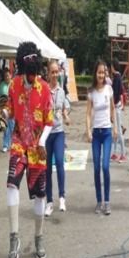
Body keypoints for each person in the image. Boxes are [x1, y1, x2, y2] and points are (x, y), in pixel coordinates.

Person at [5, 43, 53, 258]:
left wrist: (42, 141)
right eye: (29, 73)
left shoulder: (44, 89)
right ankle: (14, 237)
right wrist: (4, 113)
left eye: (35, 72)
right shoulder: (14, 85)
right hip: (18, 143)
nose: (32, 77)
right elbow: (11, 110)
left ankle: (39, 236)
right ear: (23, 68)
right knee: (11, 183)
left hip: (37, 148)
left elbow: (50, 122)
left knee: (40, 195)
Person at [86, 60, 117, 215]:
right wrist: (88, 131)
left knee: (105, 166)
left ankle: (107, 201)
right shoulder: (91, 92)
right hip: (96, 134)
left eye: (103, 72)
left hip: (106, 132)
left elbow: (112, 108)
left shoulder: (109, 89)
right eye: (99, 72)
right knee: (97, 167)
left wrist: (115, 127)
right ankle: (99, 201)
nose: (101, 75)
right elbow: (88, 113)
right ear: (95, 73)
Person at [44, 61, 70, 217]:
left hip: (59, 132)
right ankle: (49, 202)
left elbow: (66, 106)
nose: (55, 75)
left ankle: (62, 197)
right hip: (46, 134)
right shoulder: (44, 91)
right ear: (48, 73)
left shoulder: (61, 91)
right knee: (46, 168)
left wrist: (66, 115)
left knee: (59, 162)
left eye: (57, 72)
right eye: (52, 72)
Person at [110, 61, 127, 163]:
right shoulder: (118, 77)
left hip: (116, 106)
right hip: (118, 106)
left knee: (119, 131)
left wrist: (113, 106)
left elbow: (116, 94)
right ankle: (115, 152)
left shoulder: (116, 78)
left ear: (113, 67)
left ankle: (123, 154)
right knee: (116, 130)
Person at [0, 68, 13, 153]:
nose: (7, 77)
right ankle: (5, 145)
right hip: (4, 108)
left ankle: (13, 145)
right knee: (5, 128)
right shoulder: (2, 85)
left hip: (12, 109)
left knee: (12, 127)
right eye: (5, 76)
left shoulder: (14, 84)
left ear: (10, 76)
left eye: (8, 76)